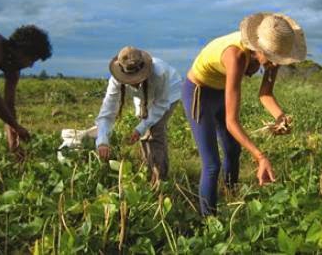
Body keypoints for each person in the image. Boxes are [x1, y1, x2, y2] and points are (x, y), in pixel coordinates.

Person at [182, 12, 307, 215]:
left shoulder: (271, 57)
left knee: (233, 150)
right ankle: (208, 222)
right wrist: (261, 157)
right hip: (199, 93)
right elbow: (232, 122)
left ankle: (231, 197)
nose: (275, 64)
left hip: (221, 90)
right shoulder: (236, 55)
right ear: (259, 48)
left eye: (279, 59)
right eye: (273, 57)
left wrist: (280, 117)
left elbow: (265, 94)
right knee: (212, 164)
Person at [95, 46, 182, 184]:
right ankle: (147, 169)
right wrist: (102, 141)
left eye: (136, 78)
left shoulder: (159, 74)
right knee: (143, 134)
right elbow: (107, 112)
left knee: (154, 131)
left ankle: (160, 178)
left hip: (169, 92)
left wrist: (140, 128)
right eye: (129, 79)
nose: (133, 82)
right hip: (143, 97)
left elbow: (161, 105)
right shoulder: (116, 80)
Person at [0, 25, 52, 158]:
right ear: (20, 51)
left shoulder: (13, 70)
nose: (30, 65)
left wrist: (14, 145)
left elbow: (9, 106)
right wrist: (16, 126)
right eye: (32, 60)